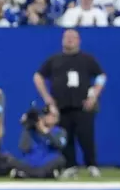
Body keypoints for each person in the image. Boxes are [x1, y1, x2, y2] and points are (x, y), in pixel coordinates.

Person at [33, 29, 106, 178]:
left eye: (73, 37)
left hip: (82, 106)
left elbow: (101, 76)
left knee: (86, 137)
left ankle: (91, 165)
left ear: (79, 40)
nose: (70, 40)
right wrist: (47, 98)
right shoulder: (54, 60)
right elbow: (38, 76)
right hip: (61, 106)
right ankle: (70, 165)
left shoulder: (87, 59)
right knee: (66, 138)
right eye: (67, 37)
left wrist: (94, 95)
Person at [8, 104, 67, 179]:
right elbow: (24, 148)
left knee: (61, 159)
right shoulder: (32, 130)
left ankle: (27, 174)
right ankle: (45, 175)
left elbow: (60, 145)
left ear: (57, 118)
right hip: (31, 161)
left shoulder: (60, 132)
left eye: (51, 114)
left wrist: (46, 131)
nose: (48, 116)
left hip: (48, 160)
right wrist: (27, 126)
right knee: (9, 159)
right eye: (46, 113)